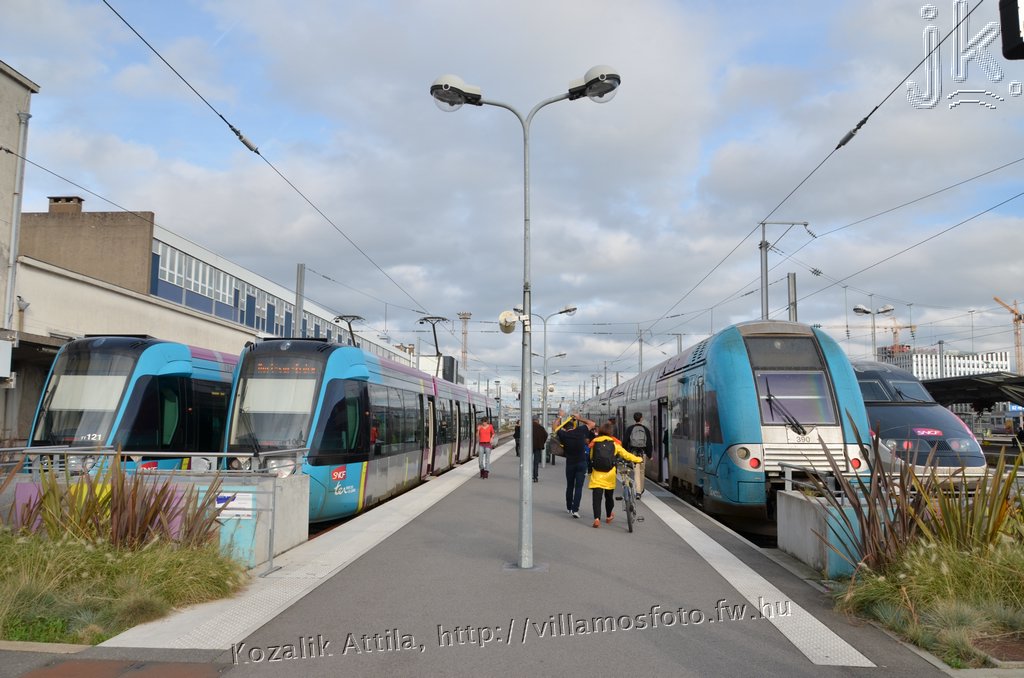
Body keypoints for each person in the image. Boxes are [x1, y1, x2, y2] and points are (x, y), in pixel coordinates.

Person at [588, 422, 643, 528]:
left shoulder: (594, 443)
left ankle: (597, 519)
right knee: (609, 497)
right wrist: (638, 459)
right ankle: (609, 516)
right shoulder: (614, 443)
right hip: (609, 475)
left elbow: (591, 457)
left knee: (597, 498)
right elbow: (626, 454)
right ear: (610, 432)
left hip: (597, 475)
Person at [557, 414, 595, 518]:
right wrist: (579, 418)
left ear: (564, 428)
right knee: (578, 487)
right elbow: (592, 424)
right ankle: (575, 510)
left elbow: (554, 427)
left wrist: (560, 416)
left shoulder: (563, 434)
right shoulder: (580, 430)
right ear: (573, 426)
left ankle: (569, 507)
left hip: (570, 464)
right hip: (581, 463)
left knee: (570, 486)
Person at [624, 412, 653, 498]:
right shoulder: (645, 429)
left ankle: (638, 492)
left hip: (634, 453)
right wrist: (649, 455)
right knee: (642, 472)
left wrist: (626, 453)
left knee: (636, 472)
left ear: (634, 419)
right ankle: (641, 489)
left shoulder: (630, 429)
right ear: (641, 418)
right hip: (643, 453)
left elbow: (625, 441)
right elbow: (649, 443)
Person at [531, 416, 548, 482]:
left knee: (528, 462)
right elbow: (546, 435)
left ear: (532, 420)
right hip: (538, 447)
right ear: (537, 420)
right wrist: (541, 443)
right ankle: (535, 477)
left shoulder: (529, 427)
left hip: (529, 447)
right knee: (536, 463)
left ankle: (527, 475)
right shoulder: (541, 428)